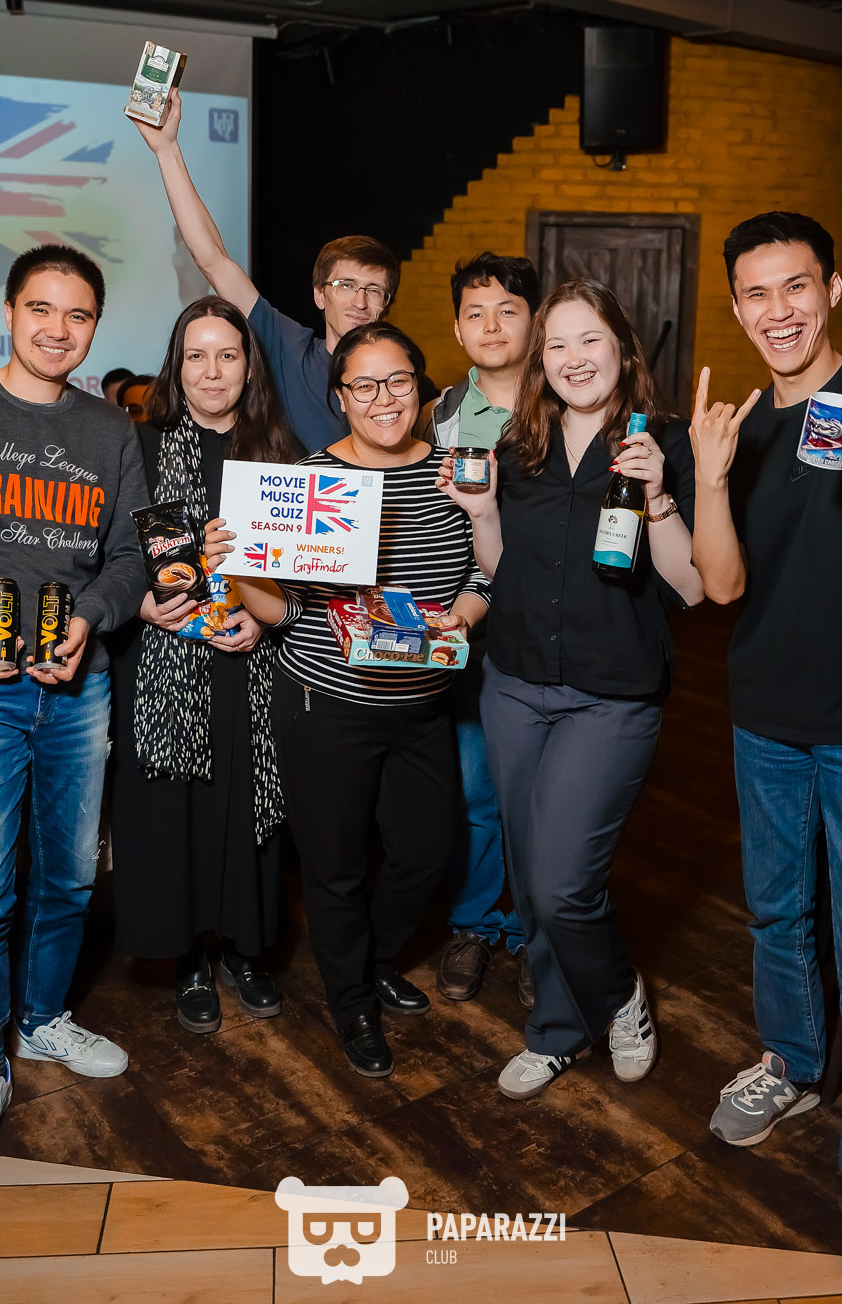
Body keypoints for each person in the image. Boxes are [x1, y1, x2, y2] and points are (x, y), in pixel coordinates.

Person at [690, 211, 842, 1304]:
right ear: (737, 308)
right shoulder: (737, 430)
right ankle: (788, 1062)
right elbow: (723, 587)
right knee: (777, 916)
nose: (777, 311)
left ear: (832, 288)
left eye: (795, 287)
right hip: (765, 723)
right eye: (756, 293)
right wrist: (706, 474)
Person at [441, 279, 702, 1101]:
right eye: (557, 343)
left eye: (590, 339)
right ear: (540, 358)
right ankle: (557, 1031)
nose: (574, 357)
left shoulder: (665, 442)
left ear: (622, 348)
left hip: (611, 695)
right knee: (532, 878)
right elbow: (502, 570)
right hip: (515, 685)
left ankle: (618, 993)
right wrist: (481, 513)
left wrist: (658, 494)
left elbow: (694, 586)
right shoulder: (519, 441)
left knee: (563, 884)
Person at [206, 322, 490, 1078]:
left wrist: (464, 614)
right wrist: (238, 566)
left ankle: (375, 957)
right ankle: (352, 999)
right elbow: (280, 613)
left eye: (398, 380)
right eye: (363, 384)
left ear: (420, 388)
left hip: (423, 704)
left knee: (426, 852)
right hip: (325, 702)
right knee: (335, 866)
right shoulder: (309, 482)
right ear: (339, 397)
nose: (382, 398)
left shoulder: (456, 475)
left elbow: (487, 572)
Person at [0, 243, 149, 1179]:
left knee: (70, 878)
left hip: (76, 686)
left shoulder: (110, 430)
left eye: (78, 314)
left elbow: (130, 559)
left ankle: (44, 1018)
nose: (59, 329)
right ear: (9, 311)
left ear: (94, 327)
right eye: (42, 309)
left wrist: (88, 620)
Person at [109, 298, 299, 1033]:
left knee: (247, 806)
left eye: (228, 355)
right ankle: (187, 954)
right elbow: (110, 554)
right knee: (173, 811)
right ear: (175, 365)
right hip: (164, 661)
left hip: (254, 664)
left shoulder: (281, 453)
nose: (212, 371)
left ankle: (245, 950)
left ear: (250, 366)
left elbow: (309, 571)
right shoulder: (139, 446)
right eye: (196, 356)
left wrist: (266, 615)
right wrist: (143, 602)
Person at [132, 90, 433, 452]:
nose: (360, 301)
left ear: (386, 302)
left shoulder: (404, 381)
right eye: (346, 285)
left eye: (374, 290)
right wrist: (167, 150)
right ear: (319, 294)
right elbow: (212, 259)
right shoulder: (289, 350)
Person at [419, 252, 540, 1009]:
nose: (491, 326)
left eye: (508, 310)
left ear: (535, 321)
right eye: (476, 312)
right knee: (474, 790)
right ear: (458, 328)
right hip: (462, 626)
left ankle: (535, 931)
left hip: (543, 627)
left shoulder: (564, 404)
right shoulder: (438, 414)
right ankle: (473, 923)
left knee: (538, 796)